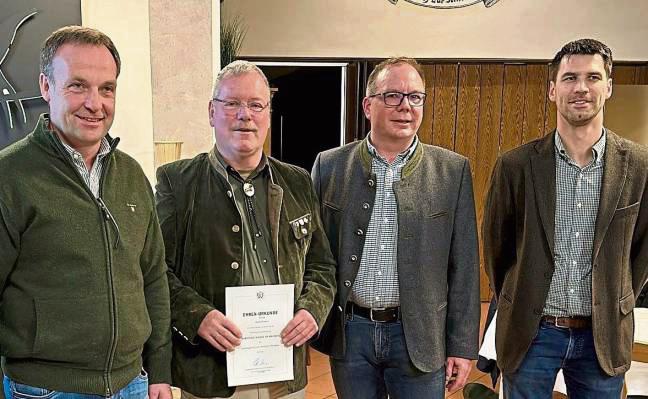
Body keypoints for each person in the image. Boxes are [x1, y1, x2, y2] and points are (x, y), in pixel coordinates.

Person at [0, 26, 172, 399]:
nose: (95, 103)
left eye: (106, 88)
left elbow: (153, 277)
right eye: (78, 85)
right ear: (46, 87)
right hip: (45, 389)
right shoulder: (9, 176)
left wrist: (159, 371)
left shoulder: (131, 174)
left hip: (133, 383)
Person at [155, 60, 336, 399]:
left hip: (284, 369)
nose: (245, 115)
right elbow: (156, 271)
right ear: (212, 111)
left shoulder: (297, 181)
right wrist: (198, 316)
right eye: (232, 104)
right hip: (211, 372)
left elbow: (322, 265)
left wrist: (313, 309)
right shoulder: (177, 183)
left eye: (256, 105)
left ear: (268, 114)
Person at [483, 38, 648, 398]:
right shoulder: (515, 166)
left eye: (592, 77)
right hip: (532, 333)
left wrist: (616, 298)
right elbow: (497, 250)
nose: (581, 88)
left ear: (609, 86)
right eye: (570, 77)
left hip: (601, 337)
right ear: (552, 89)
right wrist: (516, 296)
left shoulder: (639, 166)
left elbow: (642, 252)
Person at [311, 57, 480, 398]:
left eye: (415, 97)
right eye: (393, 96)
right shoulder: (330, 166)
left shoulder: (451, 171)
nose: (405, 106)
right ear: (367, 105)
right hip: (351, 333)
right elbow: (312, 256)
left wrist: (462, 345)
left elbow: (464, 266)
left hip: (420, 335)